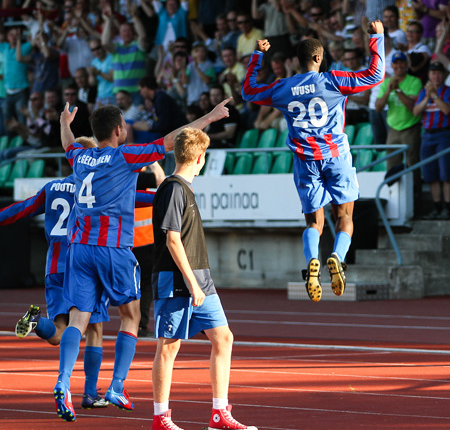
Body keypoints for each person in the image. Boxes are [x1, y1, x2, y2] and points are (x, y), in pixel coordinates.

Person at [53, 98, 232, 421]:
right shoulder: (124, 156)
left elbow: (68, 145)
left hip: (78, 247)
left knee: (79, 317)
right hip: (113, 248)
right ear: (120, 130)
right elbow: (170, 141)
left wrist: (65, 124)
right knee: (131, 315)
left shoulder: (80, 157)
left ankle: (63, 381)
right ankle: (117, 386)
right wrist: (210, 116)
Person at [241, 22, 385, 302]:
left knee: (313, 223)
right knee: (345, 217)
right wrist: (376, 37)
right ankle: (338, 258)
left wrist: (257, 56)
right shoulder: (333, 80)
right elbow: (375, 74)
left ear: (297, 61)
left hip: (305, 160)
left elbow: (249, 91)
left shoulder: (283, 87)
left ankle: (312, 263)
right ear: (319, 58)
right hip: (336, 157)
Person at [150, 128, 256, 430]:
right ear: (201, 158)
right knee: (168, 346)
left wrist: (200, 283)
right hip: (178, 281)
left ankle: (219, 413)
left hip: (200, 279)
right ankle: (161, 418)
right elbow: (172, 240)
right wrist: (193, 284)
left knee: (224, 338)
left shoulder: (183, 188)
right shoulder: (172, 189)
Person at [9, 137, 111, 411]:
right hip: (85, 265)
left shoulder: (52, 187)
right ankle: (89, 393)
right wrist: (162, 194)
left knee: (58, 334)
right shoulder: (95, 187)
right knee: (95, 329)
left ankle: (36, 323)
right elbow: (134, 199)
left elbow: (22, 209)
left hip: (54, 266)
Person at [413, 62, 450, 219]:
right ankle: (436, 207)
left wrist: (433, 95)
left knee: (445, 173)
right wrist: (427, 97)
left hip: (444, 134)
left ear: (443, 75)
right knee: (430, 174)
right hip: (427, 135)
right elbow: (416, 111)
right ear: (429, 76)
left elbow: (446, 109)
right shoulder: (422, 93)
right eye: (433, 73)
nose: (436, 76)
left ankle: (448, 208)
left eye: (439, 73)